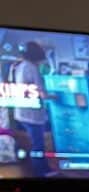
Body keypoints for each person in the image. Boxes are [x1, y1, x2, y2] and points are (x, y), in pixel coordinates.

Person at [12, 41, 50, 177]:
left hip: (21, 112)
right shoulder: (32, 68)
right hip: (32, 114)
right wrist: (53, 97)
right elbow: (42, 92)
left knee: (30, 142)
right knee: (38, 144)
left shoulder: (20, 66)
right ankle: (41, 172)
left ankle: (35, 167)